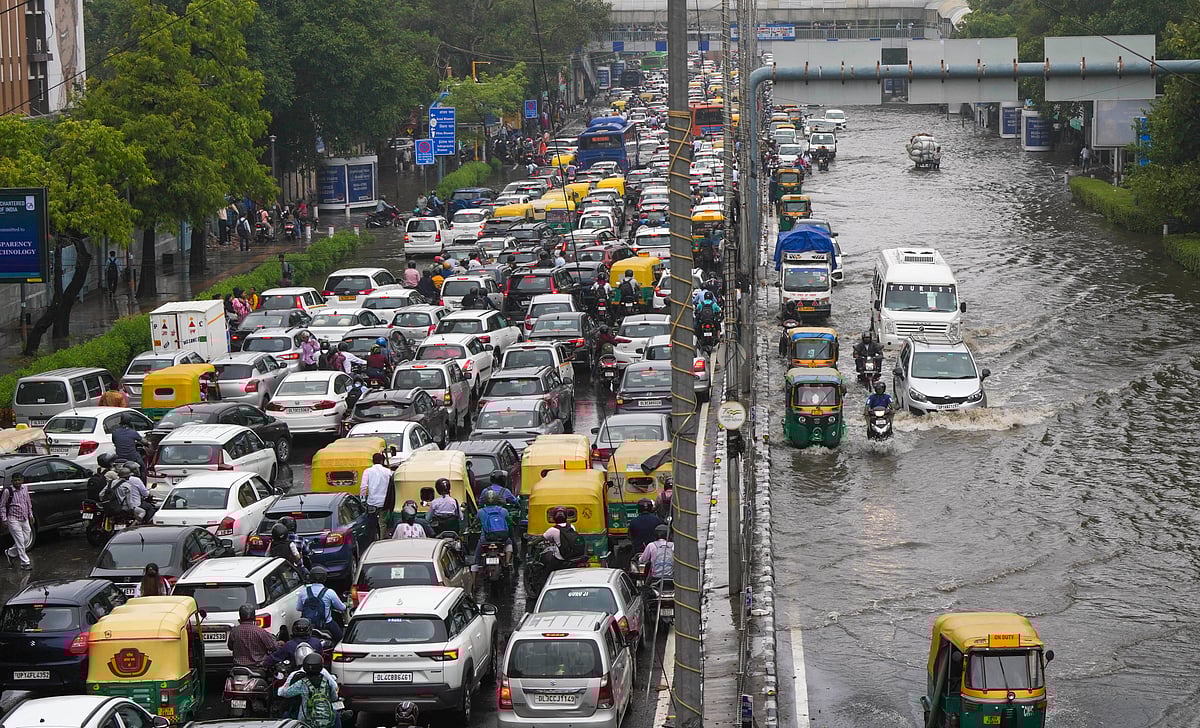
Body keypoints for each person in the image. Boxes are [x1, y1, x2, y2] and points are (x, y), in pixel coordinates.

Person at [277, 653, 339, 728]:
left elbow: (285, 693)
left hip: (306, 720)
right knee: (336, 716)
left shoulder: (302, 683)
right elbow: (334, 697)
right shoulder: (327, 680)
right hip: (327, 720)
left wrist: (280, 690)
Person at [296, 567, 346, 643]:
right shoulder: (329, 592)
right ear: (324, 578)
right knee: (341, 640)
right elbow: (341, 608)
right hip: (327, 624)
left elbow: (299, 608)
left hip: (306, 625)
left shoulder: (303, 591)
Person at [473, 489, 515, 570]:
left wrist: (472, 526)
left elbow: (475, 523)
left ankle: (477, 566)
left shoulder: (481, 511)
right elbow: (510, 522)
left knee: (477, 555)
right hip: (502, 538)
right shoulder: (503, 511)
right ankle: (507, 562)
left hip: (486, 538)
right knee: (509, 543)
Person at [228, 604, 279, 669]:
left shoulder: (234, 631)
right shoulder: (260, 631)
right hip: (257, 666)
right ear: (254, 617)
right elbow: (273, 647)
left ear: (240, 617)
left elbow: (230, 647)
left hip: (238, 666)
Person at [0, 474, 33, 570]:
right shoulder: (8, 491)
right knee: (20, 541)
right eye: (15, 480)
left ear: (22, 480)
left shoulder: (25, 488)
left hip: (24, 517)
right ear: (12, 481)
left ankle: (10, 553)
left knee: (26, 539)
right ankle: (25, 563)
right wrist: (4, 519)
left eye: (19, 480)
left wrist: (30, 514)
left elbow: (28, 502)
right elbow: (2, 505)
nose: (17, 482)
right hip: (13, 519)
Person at [359, 452, 393, 542]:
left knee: (372, 523)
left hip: (372, 502)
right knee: (383, 523)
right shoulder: (388, 472)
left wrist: (362, 499)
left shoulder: (367, 471)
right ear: (382, 461)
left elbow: (363, 486)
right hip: (384, 502)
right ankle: (381, 540)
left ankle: (372, 540)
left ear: (372, 461)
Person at [541, 506, 585, 572]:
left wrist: (531, 543)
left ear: (554, 518)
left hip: (561, 559)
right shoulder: (571, 526)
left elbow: (541, 538)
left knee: (547, 572)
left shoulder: (552, 530)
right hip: (573, 556)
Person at [111, 413, 147, 479]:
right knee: (143, 468)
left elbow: (114, 442)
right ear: (129, 421)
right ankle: (144, 484)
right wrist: (148, 443)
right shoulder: (133, 432)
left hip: (119, 458)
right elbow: (144, 442)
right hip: (132, 458)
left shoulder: (115, 432)